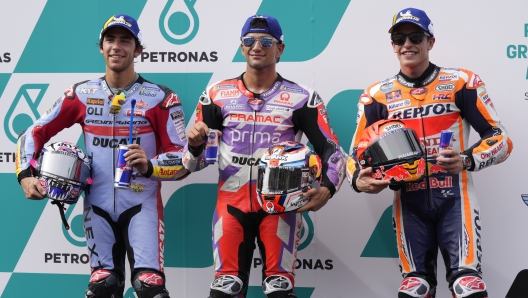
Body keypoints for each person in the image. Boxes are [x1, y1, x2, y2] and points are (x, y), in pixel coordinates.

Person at [15, 14, 189, 298]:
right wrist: (25, 175)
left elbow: (182, 159)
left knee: (150, 288)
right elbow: (33, 132)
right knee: (102, 288)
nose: (116, 46)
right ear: (101, 47)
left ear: (138, 50)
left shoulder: (161, 98)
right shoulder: (82, 93)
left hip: (142, 206)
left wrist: (150, 166)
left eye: (125, 40)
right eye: (110, 40)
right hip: (97, 206)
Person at [346, 7, 513, 298]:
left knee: (468, 286)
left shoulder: (462, 81)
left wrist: (466, 160)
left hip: (454, 197)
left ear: (430, 42)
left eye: (415, 37)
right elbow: (354, 156)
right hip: (408, 199)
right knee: (415, 287)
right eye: (399, 38)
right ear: (393, 45)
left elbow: (501, 139)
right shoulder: (377, 94)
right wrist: (358, 181)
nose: (407, 44)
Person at [183, 15, 346, 298]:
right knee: (225, 291)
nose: (257, 46)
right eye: (249, 41)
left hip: (280, 209)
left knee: (279, 291)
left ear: (279, 49)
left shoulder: (302, 97)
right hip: (230, 207)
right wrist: (195, 146)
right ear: (242, 48)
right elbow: (192, 164)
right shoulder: (216, 94)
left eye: (266, 41)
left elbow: (333, 151)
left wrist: (329, 189)